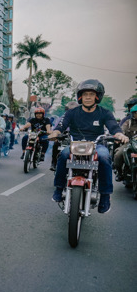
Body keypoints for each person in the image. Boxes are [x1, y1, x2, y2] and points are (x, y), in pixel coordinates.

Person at [48, 79, 128, 213]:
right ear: (80, 96)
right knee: (63, 154)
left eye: (91, 94)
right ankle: (59, 188)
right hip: (75, 145)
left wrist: (120, 134)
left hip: (97, 145)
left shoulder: (105, 112)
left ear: (98, 96)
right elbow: (61, 126)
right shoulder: (71, 112)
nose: (88, 97)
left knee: (104, 157)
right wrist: (55, 133)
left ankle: (105, 195)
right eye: (85, 94)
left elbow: (114, 127)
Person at [50, 101, 79, 170]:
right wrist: (55, 134)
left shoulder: (81, 118)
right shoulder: (62, 118)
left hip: (76, 136)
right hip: (64, 135)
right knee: (56, 144)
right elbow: (58, 127)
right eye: (69, 110)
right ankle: (54, 163)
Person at [114, 105, 137, 181]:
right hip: (129, 144)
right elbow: (121, 131)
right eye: (136, 113)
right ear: (133, 114)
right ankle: (119, 173)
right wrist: (120, 137)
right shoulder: (128, 122)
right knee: (118, 154)